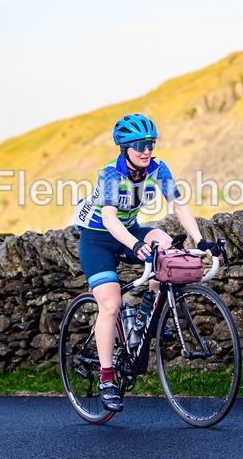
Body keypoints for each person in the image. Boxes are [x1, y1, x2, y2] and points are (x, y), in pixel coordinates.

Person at [73, 113, 217, 413]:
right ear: (125, 148)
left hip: (129, 229)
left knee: (167, 248)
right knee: (111, 304)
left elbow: (178, 205)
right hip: (98, 238)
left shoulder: (158, 168)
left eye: (150, 143)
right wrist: (136, 245)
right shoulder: (111, 174)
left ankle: (145, 316)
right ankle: (107, 378)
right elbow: (109, 219)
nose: (147, 150)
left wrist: (200, 240)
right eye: (140, 145)